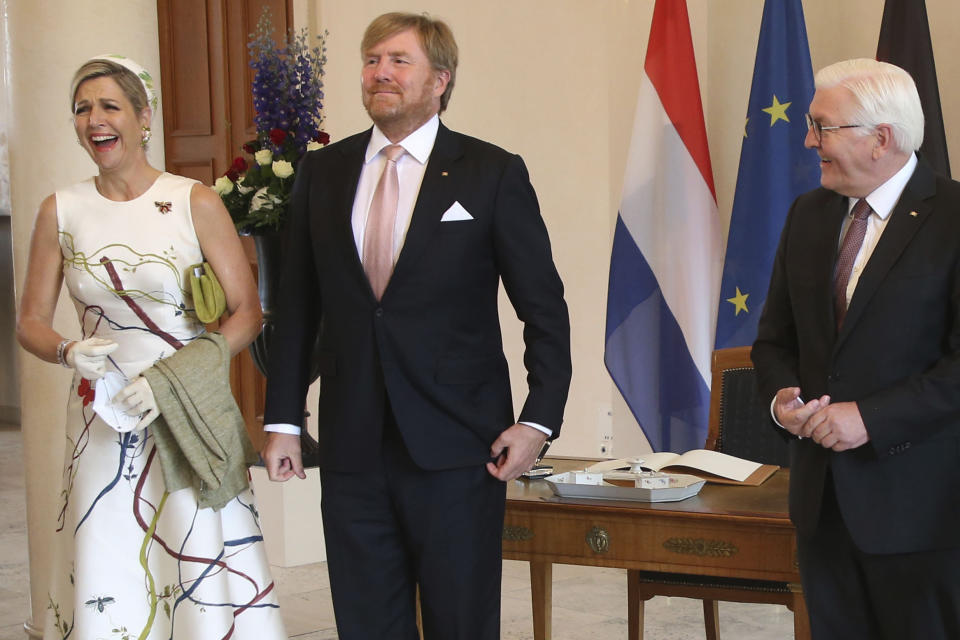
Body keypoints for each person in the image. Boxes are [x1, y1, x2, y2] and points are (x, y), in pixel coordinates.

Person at [261, 12, 571, 640]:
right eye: (372, 60)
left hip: (460, 447)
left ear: (440, 80)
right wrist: (283, 420)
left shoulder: (492, 172)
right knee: (367, 620)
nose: (380, 73)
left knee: (460, 621)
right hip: (352, 446)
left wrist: (538, 419)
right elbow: (297, 310)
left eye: (399, 61)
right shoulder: (323, 174)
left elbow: (543, 308)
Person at [16, 55, 287, 639]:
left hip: (182, 405)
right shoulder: (59, 209)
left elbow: (248, 312)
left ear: (144, 119)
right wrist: (65, 351)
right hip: (100, 415)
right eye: (83, 108)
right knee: (109, 543)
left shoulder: (193, 200)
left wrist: (177, 376)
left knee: (190, 545)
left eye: (110, 105)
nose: (95, 119)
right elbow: (30, 322)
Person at [752, 58, 960, 639]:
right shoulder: (808, 215)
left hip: (926, 512)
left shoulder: (954, 218)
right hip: (823, 508)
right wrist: (781, 401)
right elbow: (774, 341)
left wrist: (869, 418)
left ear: (881, 139)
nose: (807, 139)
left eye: (823, 126)